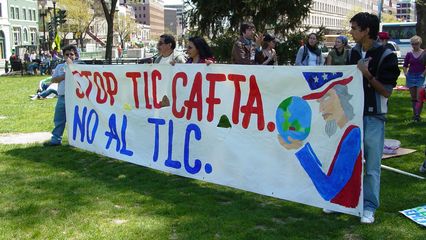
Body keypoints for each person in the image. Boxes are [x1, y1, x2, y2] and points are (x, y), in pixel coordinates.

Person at [348, 12, 400, 224]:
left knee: (371, 166)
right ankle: (345, 202)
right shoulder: (354, 52)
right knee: (349, 161)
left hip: (374, 117)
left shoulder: (387, 55)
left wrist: (366, 74)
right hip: (351, 116)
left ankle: (369, 207)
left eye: (354, 28)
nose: (351, 32)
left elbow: (386, 92)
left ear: (366, 30)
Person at [278, 83, 362, 209]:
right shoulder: (336, 133)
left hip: (347, 204)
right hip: (338, 204)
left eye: (326, 98)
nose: (321, 109)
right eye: (319, 102)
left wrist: (300, 150)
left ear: (342, 98)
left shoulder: (352, 134)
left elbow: (329, 190)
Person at [44, 45, 78, 147]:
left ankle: (76, 141)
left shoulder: (80, 66)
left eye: (71, 54)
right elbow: (53, 80)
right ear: (63, 56)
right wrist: (63, 76)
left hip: (76, 98)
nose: (69, 56)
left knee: (75, 120)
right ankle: (55, 140)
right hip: (62, 97)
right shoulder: (59, 67)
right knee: (59, 119)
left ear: (75, 55)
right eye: (66, 54)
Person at [403, 35, 426, 122]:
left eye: (416, 44)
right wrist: (405, 73)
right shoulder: (409, 54)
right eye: (412, 44)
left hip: (421, 76)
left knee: (419, 96)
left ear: (420, 43)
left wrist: (423, 74)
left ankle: (418, 115)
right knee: (413, 98)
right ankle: (415, 115)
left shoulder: (424, 53)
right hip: (411, 76)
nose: (414, 46)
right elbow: (405, 66)